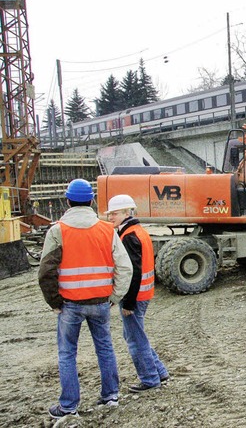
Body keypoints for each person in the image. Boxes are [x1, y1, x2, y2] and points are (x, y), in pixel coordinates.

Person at [38, 179, 133, 419]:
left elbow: (46, 272)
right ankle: (110, 395)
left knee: (67, 353)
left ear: (67, 201)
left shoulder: (58, 230)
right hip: (100, 303)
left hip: (70, 305)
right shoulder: (106, 230)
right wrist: (115, 296)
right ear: (91, 201)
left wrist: (55, 302)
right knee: (105, 348)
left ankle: (69, 406)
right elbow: (125, 267)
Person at [105, 194, 169, 393]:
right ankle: (159, 371)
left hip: (135, 297)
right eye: (110, 214)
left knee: (135, 339)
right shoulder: (137, 232)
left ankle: (150, 379)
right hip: (143, 294)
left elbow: (132, 272)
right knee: (135, 335)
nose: (110, 218)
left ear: (127, 213)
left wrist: (129, 303)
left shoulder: (129, 236)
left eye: (114, 214)